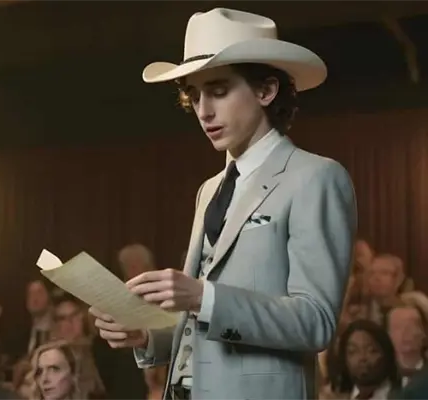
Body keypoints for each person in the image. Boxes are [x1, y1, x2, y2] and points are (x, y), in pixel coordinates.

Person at [90, 7, 357, 400]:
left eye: (218, 91)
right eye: (194, 95)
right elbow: (199, 327)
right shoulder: (209, 189)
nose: (203, 111)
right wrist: (146, 333)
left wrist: (202, 296)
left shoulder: (315, 177)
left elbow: (316, 321)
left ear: (266, 91)